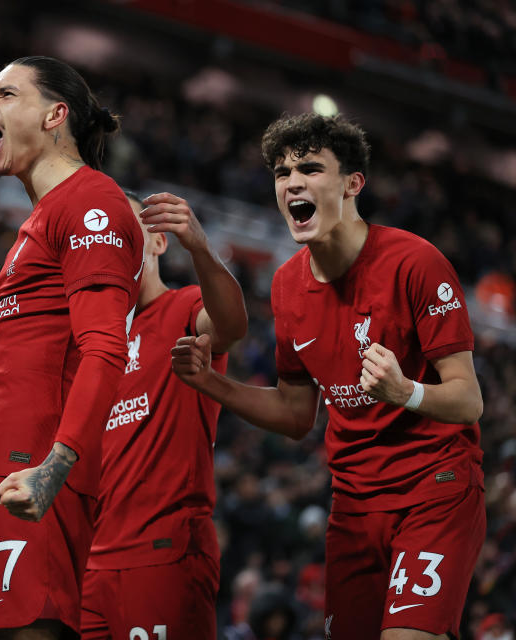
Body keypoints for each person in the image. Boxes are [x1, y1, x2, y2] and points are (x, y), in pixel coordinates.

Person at [172, 112, 485, 640]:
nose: (293, 181)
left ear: (352, 183)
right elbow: (297, 415)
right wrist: (212, 383)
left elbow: (469, 399)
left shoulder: (416, 262)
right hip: (353, 505)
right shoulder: (286, 287)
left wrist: (404, 392)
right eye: (281, 172)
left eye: (311, 168)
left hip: (435, 486)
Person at [0, 56, 144, 639]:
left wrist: (54, 469)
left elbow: (105, 351)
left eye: (7, 95)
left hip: (36, 481)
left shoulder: (92, 203)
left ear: (54, 116)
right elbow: (13, 384)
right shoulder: (37, 223)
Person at [80, 191, 247, 639]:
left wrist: (200, 247)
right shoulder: (89, 347)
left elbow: (230, 327)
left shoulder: (185, 307)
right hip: (88, 567)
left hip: (163, 553)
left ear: (158, 243)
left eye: (124, 228)